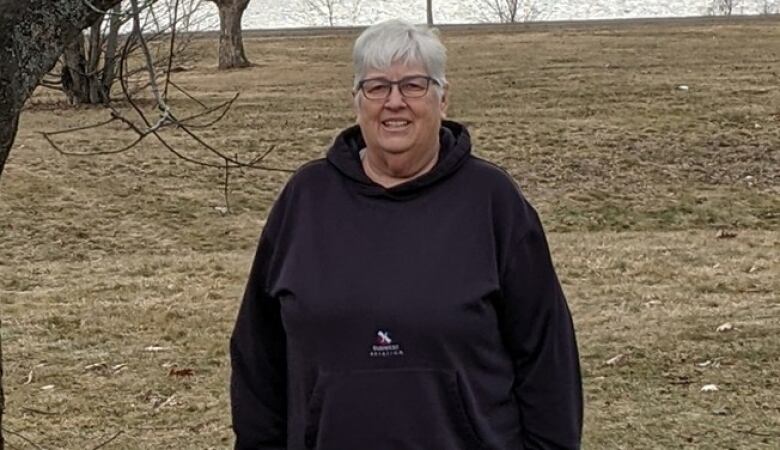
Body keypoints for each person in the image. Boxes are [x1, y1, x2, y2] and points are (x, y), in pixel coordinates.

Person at [230, 19, 582, 450]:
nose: (394, 102)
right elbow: (257, 356)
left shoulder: (492, 202)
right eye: (376, 87)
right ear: (356, 101)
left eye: (414, 86)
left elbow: (547, 359)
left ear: (443, 98)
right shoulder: (305, 200)